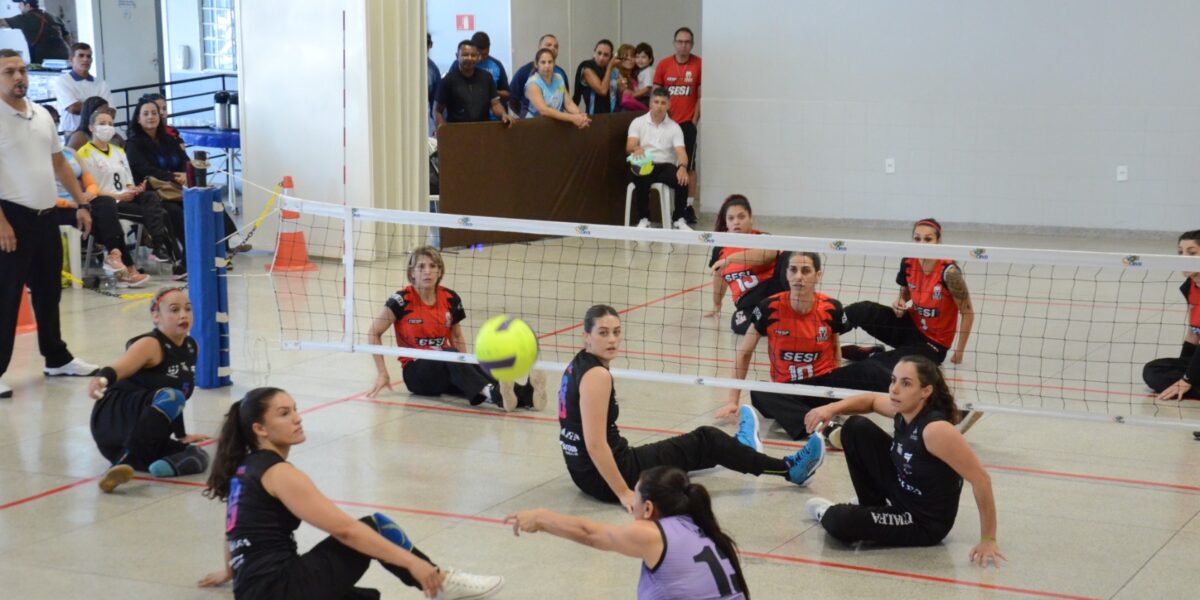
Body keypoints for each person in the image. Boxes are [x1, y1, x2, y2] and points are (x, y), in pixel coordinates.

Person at [198, 387, 505, 599]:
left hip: (252, 591)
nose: (297, 418)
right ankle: (442, 584)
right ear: (260, 429)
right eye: (284, 413)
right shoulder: (280, 474)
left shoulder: (245, 469)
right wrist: (413, 563)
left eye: (295, 409)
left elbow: (232, 531)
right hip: (279, 590)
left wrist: (230, 572)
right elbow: (345, 531)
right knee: (374, 526)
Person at [559, 304, 826, 512]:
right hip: (611, 475)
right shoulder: (597, 376)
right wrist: (624, 493)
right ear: (587, 336)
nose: (612, 340)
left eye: (616, 332)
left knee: (692, 450)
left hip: (585, 474)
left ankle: (741, 448)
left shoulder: (578, 365)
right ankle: (789, 469)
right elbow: (595, 444)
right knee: (705, 439)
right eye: (603, 333)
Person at [801, 356, 1007, 568]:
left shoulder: (936, 430)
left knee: (840, 520)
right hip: (901, 489)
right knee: (855, 427)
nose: (894, 389)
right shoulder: (902, 409)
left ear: (925, 391)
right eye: (893, 380)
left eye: (906, 383)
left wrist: (988, 540)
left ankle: (830, 513)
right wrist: (830, 409)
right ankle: (872, 506)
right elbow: (871, 401)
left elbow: (981, 479)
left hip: (922, 522)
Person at [0, 49, 98, 399]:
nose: (18, 77)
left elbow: (60, 164)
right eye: (9, 71)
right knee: (7, 299)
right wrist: (1, 224)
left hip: (45, 217)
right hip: (10, 217)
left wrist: (81, 204)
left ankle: (56, 358)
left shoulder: (41, 115)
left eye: (22, 70)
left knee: (48, 293)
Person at [720, 253, 892, 442]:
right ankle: (826, 427)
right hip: (789, 390)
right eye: (793, 270)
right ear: (786, 274)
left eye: (806, 270)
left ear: (817, 275)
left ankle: (917, 411)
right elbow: (744, 353)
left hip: (824, 385)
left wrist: (837, 392)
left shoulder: (831, 308)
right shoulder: (769, 307)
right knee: (760, 392)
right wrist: (732, 401)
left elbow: (835, 347)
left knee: (872, 369)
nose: (798, 276)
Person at [507, 466, 749, 600]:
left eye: (635, 495)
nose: (631, 502)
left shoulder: (652, 533)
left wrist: (540, 517)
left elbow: (589, 534)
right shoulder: (701, 528)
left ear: (648, 508)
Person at [366, 245, 544, 411]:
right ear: (412, 273)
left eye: (432, 266)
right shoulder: (401, 300)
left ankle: (525, 395)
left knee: (475, 365)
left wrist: (466, 366)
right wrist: (383, 373)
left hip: (446, 363)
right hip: (417, 373)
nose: (427, 271)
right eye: (421, 267)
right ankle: (495, 393)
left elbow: (457, 336)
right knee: (451, 354)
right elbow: (374, 332)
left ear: (440, 271)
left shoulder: (450, 298)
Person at [88, 288, 208, 492]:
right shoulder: (150, 344)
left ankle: (146, 465)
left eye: (188, 309)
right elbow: (118, 369)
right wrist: (100, 380)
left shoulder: (190, 346)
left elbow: (179, 391)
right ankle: (122, 463)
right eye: (174, 309)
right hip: (115, 419)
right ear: (156, 316)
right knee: (171, 396)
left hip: (143, 431)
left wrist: (181, 435)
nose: (183, 315)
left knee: (198, 456)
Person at [842, 219, 976, 370]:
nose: (921, 244)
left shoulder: (949, 273)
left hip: (933, 345)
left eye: (928, 239)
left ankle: (871, 355)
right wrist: (901, 300)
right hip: (909, 327)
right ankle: (819, 340)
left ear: (938, 242)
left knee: (882, 366)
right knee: (863, 310)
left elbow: (968, 313)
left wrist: (959, 351)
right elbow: (905, 293)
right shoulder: (908, 262)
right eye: (917, 239)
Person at [43, 104, 149, 288]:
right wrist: (76, 204)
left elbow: (89, 182)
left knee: (105, 203)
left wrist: (87, 197)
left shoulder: (69, 152)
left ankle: (114, 255)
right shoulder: (35, 156)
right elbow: (41, 192)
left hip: (79, 201)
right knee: (99, 215)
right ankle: (126, 267)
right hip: (55, 207)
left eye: (55, 123)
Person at [77, 107, 182, 274]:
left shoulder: (119, 151)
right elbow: (87, 190)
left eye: (110, 123)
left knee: (151, 197)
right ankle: (174, 260)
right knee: (162, 214)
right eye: (102, 123)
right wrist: (118, 195)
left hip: (126, 197)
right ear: (91, 128)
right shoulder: (84, 153)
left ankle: (159, 246)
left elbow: (127, 181)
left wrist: (134, 190)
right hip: (107, 202)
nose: (107, 127)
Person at [702, 195, 787, 334]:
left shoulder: (763, 237)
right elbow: (719, 277)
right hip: (748, 302)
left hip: (771, 291)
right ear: (726, 223)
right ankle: (779, 321)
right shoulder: (720, 248)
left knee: (790, 256)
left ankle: (790, 311)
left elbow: (766, 255)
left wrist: (730, 259)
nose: (736, 222)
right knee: (739, 324)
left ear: (750, 218)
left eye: (741, 217)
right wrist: (716, 305)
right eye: (731, 218)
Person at [1143, 230, 1200, 401]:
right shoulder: (1189, 287)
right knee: (1152, 371)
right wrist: (1185, 370)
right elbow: (1193, 331)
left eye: (1191, 253)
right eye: (1180, 252)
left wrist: (1186, 379)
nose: (1183, 258)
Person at [654, 27, 702, 225]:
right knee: (667, 162)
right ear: (674, 43)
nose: (683, 45)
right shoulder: (664, 65)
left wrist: (694, 118)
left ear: (692, 44)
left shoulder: (699, 65)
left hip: (686, 124)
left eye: (687, 42)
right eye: (680, 41)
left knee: (687, 165)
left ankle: (686, 207)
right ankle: (667, 208)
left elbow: (701, 94)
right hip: (667, 123)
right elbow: (656, 94)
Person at [626, 88, 690, 230]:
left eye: (663, 103)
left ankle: (679, 219)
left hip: (665, 166)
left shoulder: (675, 127)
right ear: (650, 103)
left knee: (682, 179)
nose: (659, 106)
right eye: (656, 102)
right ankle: (644, 218)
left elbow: (681, 152)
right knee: (640, 176)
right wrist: (636, 148)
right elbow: (629, 145)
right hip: (645, 163)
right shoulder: (638, 122)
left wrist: (683, 168)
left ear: (668, 105)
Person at [433, 40, 513, 128]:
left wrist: (503, 115)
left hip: (483, 131)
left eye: (473, 55)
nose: (470, 58)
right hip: (457, 132)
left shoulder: (487, 77)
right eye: (465, 55)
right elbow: (437, 111)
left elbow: (495, 104)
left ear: (478, 57)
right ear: (457, 56)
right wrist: (444, 132)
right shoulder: (447, 80)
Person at [50, 43, 110, 134]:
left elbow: (110, 110)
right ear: (71, 59)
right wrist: (99, 109)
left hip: (99, 132)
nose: (85, 59)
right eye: (81, 56)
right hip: (73, 132)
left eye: (88, 56)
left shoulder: (101, 83)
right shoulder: (62, 81)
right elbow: (73, 108)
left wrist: (85, 106)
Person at [525, 48, 589, 128]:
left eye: (550, 62)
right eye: (543, 62)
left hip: (555, 124)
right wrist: (572, 118)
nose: (547, 65)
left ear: (554, 64)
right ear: (536, 64)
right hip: (536, 126)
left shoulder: (559, 78)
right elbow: (544, 110)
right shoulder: (533, 84)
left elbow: (568, 104)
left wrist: (580, 115)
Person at [509, 34, 570, 117]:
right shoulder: (524, 72)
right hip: (533, 122)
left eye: (556, 46)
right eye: (548, 45)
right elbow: (512, 98)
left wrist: (580, 115)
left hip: (556, 122)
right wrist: (524, 115)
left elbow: (566, 101)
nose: (552, 48)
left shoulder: (560, 75)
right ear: (539, 47)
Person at [0, 1, 69, 64]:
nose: (19, 7)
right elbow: (68, 37)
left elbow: (1, 23)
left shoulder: (25, 18)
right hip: (65, 57)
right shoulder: (53, 17)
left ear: (28, 6)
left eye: (20, 4)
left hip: (44, 61)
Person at [574, 39, 619, 115]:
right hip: (594, 116)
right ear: (594, 53)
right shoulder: (587, 68)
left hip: (612, 115)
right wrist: (610, 68)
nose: (601, 58)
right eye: (599, 53)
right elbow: (603, 91)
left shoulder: (613, 71)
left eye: (606, 55)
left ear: (610, 57)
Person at [426, 33, 440, 134]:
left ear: (430, 45)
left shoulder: (433, 70)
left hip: (426, 123)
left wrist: (438, 126)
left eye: (425, 43)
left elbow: (436, 102)